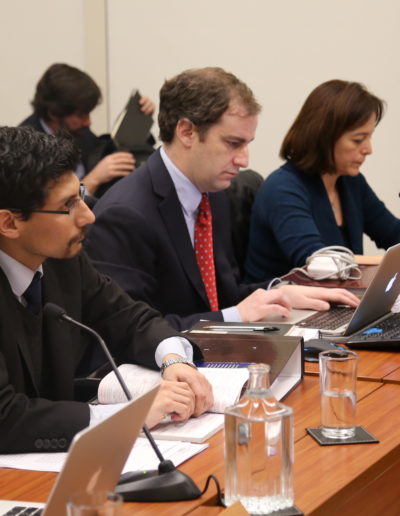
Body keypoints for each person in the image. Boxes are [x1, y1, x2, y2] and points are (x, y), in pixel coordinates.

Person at [84, 67, 359, 332]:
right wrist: (236, 317)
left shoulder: (212, 194)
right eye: (233, 143)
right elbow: (130, 332)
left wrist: (279, 291)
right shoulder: (126, 214)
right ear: (187, 132)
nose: (244, 160)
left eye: (247, 144)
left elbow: (220, 296)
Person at [0, 126, 212, 453]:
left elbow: (128, 317)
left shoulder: (62, 259)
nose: (88, 216)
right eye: (68, 205)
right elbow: (5, 417)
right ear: (9, 223)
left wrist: (173, 360)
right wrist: (128, 417)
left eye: (81, 195)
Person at [245, 80, 400, 283]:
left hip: (335, 296)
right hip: (281, 301)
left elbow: (393, 235)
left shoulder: (351, 182)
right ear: (324, 138)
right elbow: (321, 266)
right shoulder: (282, 188)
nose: (368, 149)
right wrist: (382, 263)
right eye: (358, 140)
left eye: (369, 137)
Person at [20, 63, 155, 197]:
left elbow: (103, 152)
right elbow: (49, 204)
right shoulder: (25, 150)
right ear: (53, 113)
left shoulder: (76, 130)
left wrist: (139, 120)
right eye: (81, 115)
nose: (88, 122)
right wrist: (93, 180)